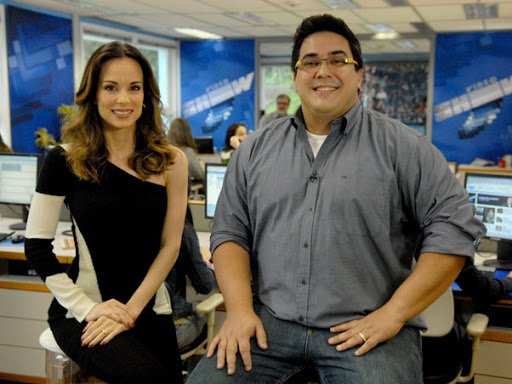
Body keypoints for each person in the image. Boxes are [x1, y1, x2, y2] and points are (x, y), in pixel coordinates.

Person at [188, 14, 485, 383]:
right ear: (296, 78)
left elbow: (454, 230)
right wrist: (237, 310)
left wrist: (393, 315)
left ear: (359, 76)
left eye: (338, 60)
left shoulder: (404, 148)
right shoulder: (255, 150)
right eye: (310, 62)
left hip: (368, 327)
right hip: (270, 323)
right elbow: (230, 232)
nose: (322, 70)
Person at [24, 41, 188, 383]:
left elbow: (170, 246)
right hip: (83, 309)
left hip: (147, 305)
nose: (123, 100)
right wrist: (90, 309)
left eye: (134, 88)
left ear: (147, 95)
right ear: (93, 94)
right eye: (110, 87)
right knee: (146, 377)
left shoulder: (172, 161)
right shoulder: (64, 159)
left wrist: (130, 311)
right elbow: (36, 247)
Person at [165, 209, 216, 350]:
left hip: (133, 329)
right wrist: (205, 264)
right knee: (203, 314)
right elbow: (205, 286)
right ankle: (196, 372)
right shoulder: (181, 229)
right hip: (173, 330)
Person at [168, 117, 205, 184]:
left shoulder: (166, 150)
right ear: (187, 133)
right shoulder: (188, 151)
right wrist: (202, 167)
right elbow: (199, 175)